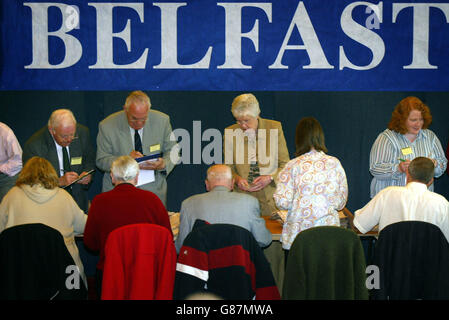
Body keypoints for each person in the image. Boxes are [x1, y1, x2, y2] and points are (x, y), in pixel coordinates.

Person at [83, 155, 172, 297]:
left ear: (112, 176)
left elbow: (90, 243)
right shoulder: (153, 200)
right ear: (137, 177)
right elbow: (167, 239)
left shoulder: (100, 202)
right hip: (146, 274)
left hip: (110, 275)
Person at [0, 156, 87, 287]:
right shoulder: (64, 197)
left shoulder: (11, 196)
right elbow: (84, 226)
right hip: (63, 270)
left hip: (22, 269)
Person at [273, 117, 348, 252]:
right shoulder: (334, 163)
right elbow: (340, 203)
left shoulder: (292, 166)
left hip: (299, 238)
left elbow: (281, 202)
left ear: (299, 139)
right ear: (320, 137)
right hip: (329, 236)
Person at [96, 90, 178, 206]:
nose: (139, 123)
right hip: (118, 193)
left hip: (153, 192)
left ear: (148, 110)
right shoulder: (107, 126)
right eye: (134, 118)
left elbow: (174, 151)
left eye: (144, 118)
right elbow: (101, 160)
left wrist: (163, 164)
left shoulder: (162, 121)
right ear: (125, 109)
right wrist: (125, 160)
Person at [175, 164, 272, 253]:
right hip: (240, 268)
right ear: (232, 183)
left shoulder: (188, 204)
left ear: (207, 184)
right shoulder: (250, 202)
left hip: (202, 269)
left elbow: (180, 247)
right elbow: (263, 240)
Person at [353, 157, 449, 243]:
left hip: (388, 259)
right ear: (431, 180)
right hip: (427, 261)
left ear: (408, 174)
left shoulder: (387, 194)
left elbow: (360, 224)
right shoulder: (442, 204)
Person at [223, 93, 290, 216]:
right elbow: (228, 167)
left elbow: (285, 164)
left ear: (257, 115)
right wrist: (237, 179)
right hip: (243, 198)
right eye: (238, 121)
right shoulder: (229, 133)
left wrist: (270, 177)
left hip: (271, 197)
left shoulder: (274, 128)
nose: (243, 126)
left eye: (247, 121)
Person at [369, 96, 447, 198]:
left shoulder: (430, 137)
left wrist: (434, 165)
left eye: (421, 119)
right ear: (402, 120)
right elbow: (375, 168)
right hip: (391, 201)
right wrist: (398, 168)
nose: (418, 124)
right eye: (413, 120)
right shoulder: (387, 138)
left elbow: (443, 163)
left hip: (421, 200)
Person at [22, 109, 95, 212]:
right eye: (64, 136)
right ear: (52, 130)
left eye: (72, 134)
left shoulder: (83, 133)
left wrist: (88, 174)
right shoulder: (34, 146)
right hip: (49, 205)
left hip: (78, 202)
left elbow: (89, 160)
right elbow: (31, 181)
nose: (69, 139)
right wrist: (58, 181)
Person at [0, 122, 22, 202]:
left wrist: (1, 168)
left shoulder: (5, 132)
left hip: (7, 175)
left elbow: (18, 162)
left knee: (5, 205)